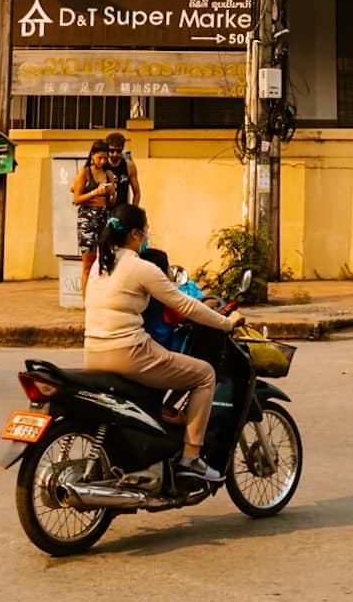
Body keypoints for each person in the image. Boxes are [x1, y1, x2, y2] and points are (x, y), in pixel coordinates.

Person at [83, 203, 241, 483]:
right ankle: (191, 458)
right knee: (205, 375)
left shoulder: (100, 263)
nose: (146, 238)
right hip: (128, 353)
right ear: (134, 234)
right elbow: (187, 306)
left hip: (93, 353)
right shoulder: (141, 267)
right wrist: (227, 323)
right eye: (144, 232)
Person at [71, 139, 128, 289]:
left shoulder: (108, 174)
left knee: (103, 260)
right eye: (99, 158)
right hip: (87, 219)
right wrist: (94, 192)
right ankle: (86, 301)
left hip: (103, 216)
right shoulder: (85, 172)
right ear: (92, 156)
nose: (102, 161)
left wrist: (111, 195)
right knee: (88, 265)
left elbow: (111, 202)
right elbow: (76, 199)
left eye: (105, 158)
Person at [104, 132, 141, 207]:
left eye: (118, 151)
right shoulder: (102, 164)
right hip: (104, 210)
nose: (115, 154)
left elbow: (137, 193)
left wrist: (133, 210)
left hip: (122, 210)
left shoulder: (129, 165)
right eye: (111, 151)